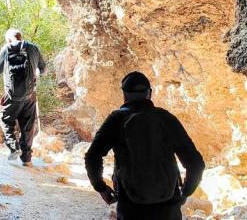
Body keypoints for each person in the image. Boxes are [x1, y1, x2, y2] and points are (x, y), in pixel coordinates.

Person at [85, 71, 205, 220]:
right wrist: (186, 191)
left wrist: (101, 188)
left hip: (131, 207)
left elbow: (92, 156)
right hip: (168, 206)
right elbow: (196, 163)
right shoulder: (166, 118)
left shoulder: (116, 120)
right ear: (150, 93)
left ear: (124, 95)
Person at [0, 28, 46, 166]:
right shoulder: (34, 48)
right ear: (21, 37)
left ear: (9, 40)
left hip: (11, 96)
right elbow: (43, 69)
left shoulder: (6, 48)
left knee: (5, 120)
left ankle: (13, 147)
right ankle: (27, 159)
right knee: (27, 127)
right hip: (30, 96)